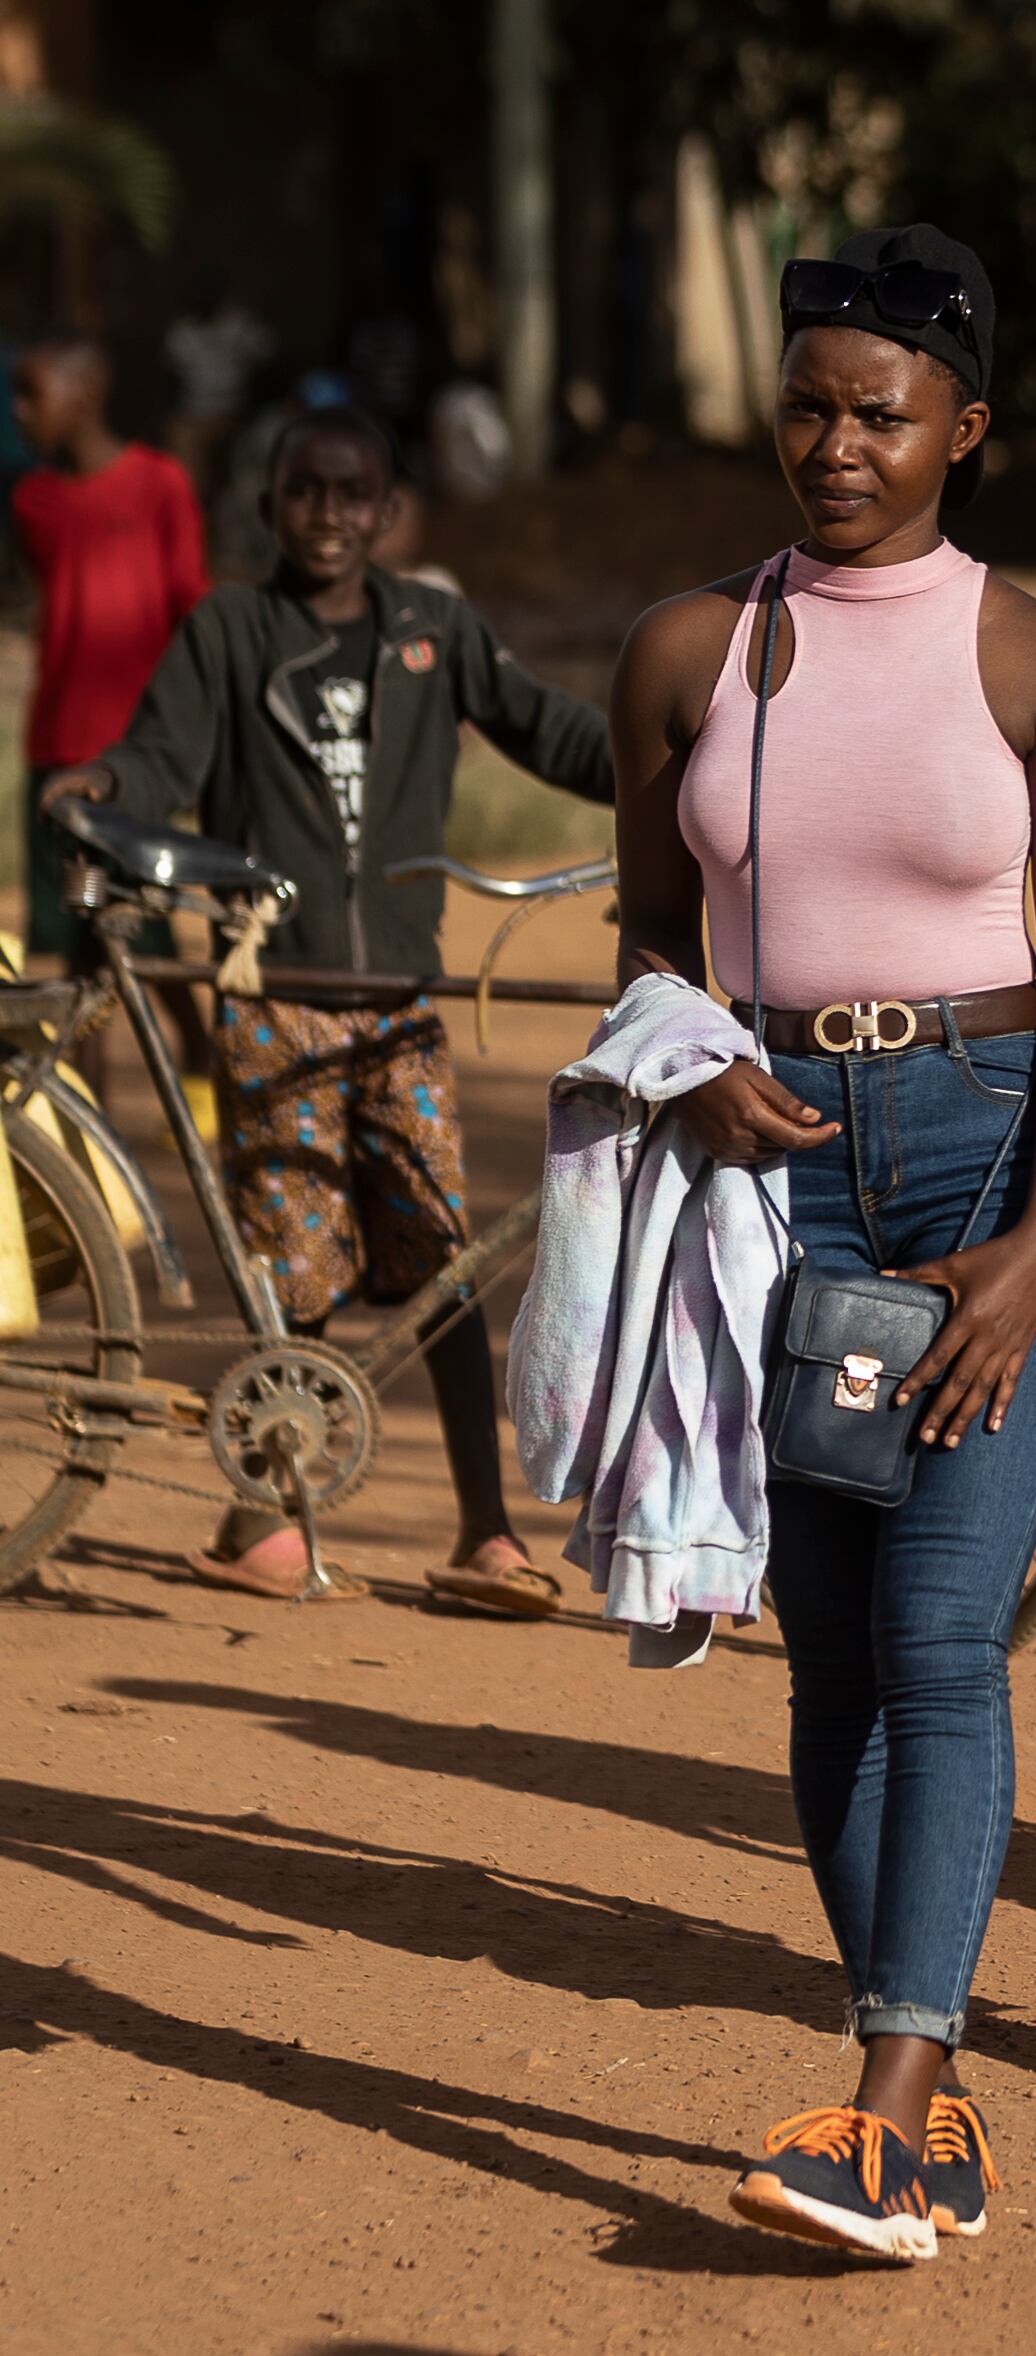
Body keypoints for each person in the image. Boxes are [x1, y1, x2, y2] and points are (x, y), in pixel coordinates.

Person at [605, 223, 1036, 2259]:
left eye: (879, 414)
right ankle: (919, 2084)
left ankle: (886, 2111)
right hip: (775, 1171)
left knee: (938, 1638)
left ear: (961, 432)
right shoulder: (684, 652)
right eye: (808, 407)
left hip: (990, 1160)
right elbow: (651, 934)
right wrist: (681, 1062)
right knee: (826, 1660)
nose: (834, 446)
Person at [48, 406, 606, 1614]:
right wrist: (108, 780)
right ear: (270, 504)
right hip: (276, 997)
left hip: (396, 1001)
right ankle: (259, 1519)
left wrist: (679, 760)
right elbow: (162, 757)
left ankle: (483, 1533)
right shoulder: (233, 629)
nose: (331, 515)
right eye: (307, 491)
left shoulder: (432, 629)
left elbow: (549, 731)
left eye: (356, 494)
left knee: (440, 1252)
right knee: (289, 1264)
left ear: (389, 508)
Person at [11, 337, 206, 989]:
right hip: (53, 751)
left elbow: (192, 612)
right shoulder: (31, 500)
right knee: (77, 962)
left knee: (143, 948)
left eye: (31, 393)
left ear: (86, 393)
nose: (18, 410)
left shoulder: (159, 483)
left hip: (131, 761)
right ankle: (86, 1097)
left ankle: (201, 1085)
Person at [162, 269, 274, 485]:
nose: (204, 300)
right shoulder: (182, 333)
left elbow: (268, 359)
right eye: (198, 295)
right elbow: (170, 380)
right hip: (194, 415)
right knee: (186, 467)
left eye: (209, 294)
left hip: (235, 413)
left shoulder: (239, 325)